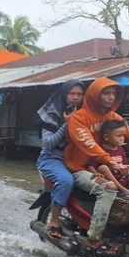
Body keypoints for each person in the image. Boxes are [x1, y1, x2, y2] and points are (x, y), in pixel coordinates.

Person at [65, 77, 129, 252]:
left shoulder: (115, 118)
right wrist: (109, 160)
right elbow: (87, 143)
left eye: (114, 93)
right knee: (108, 188)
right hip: (82, 168)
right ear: (95, 94)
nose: (111, 97)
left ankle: (127, 233)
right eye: (106, 93)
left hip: (110, 166)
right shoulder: (79, 118)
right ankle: (94, 237)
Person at [35, 80, 85, 239]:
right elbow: (47, 143)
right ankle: (55, 220)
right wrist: (67, 124)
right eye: (72, 94)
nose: (76, 97)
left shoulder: (84, 113)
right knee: (66, 181)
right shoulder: (52, 113)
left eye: (79, 94)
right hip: (52, 158)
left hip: (76, 158)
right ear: (65, 94)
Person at [85, 119, 129, 197]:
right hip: (111, 181)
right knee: (103, 167)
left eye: (123, 135)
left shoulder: (121, 150)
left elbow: (125, 165)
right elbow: (90, 165)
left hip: (123, 178)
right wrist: (96, 173)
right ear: (106, 137)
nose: (122, 138)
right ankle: (123, 190)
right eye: (119, 136)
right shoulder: (100, 150)